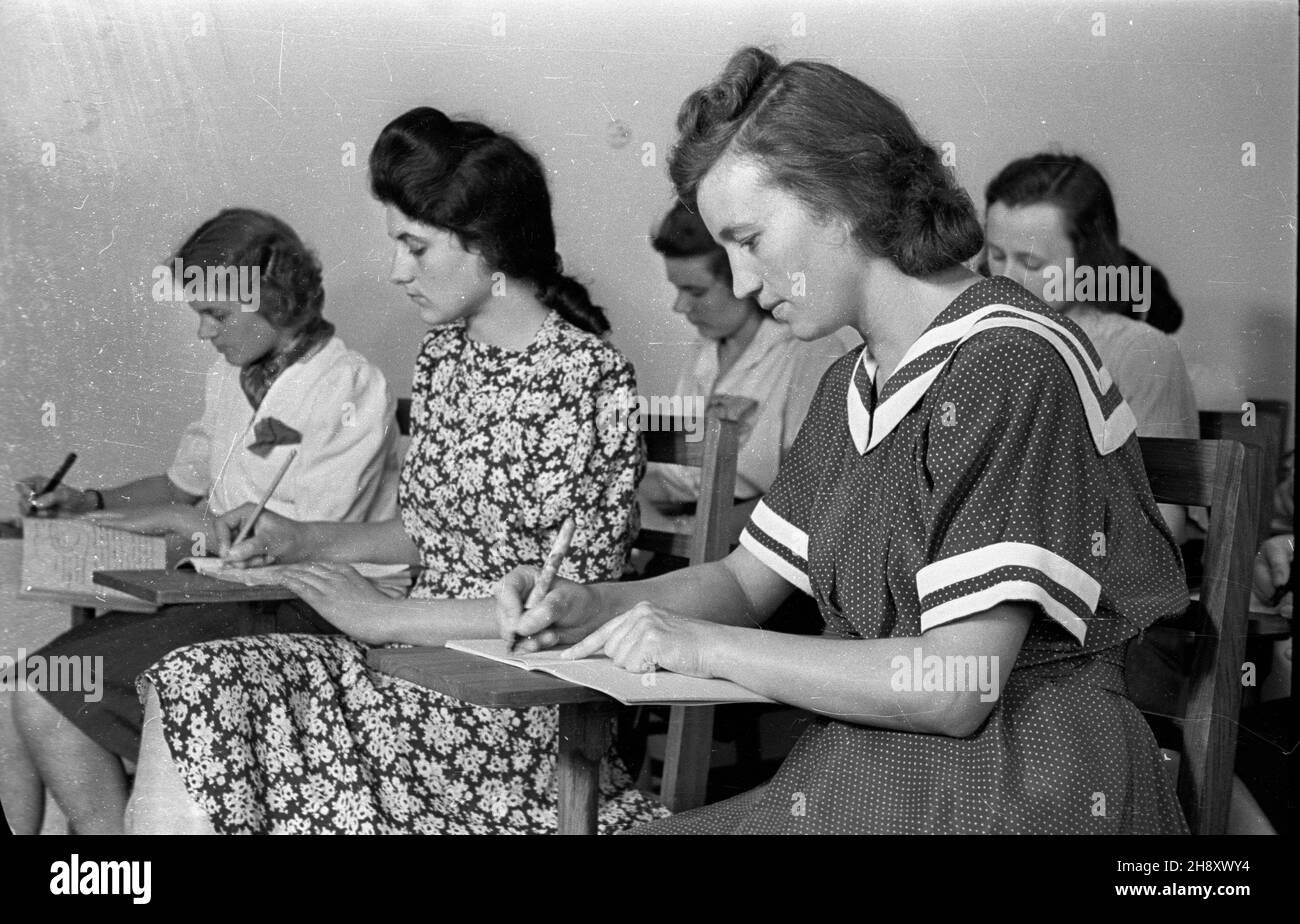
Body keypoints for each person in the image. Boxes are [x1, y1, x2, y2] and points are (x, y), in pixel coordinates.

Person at [497, 48, 1191, 834]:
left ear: (843, 200)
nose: (746, 283)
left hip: (1018, 783)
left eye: (750, 239)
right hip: (873, 774)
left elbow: (954, 688)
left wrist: (700, 647)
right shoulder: (852, 383)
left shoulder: (1009, 360)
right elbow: (737, 585)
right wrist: (593, 607)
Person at [124, 107, 668, 834]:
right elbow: (425, 533)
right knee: (195, 679)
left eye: (414, 246)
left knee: (222, 703)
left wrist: (381, 618)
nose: (394, 271)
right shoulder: (445, 357)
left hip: (511, 711)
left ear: (487, 245)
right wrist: (302, 539)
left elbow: (569, 610)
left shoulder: (587, 377)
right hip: (410, 667)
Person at [1, 208, 400, 834]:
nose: (202, 334)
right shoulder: (230, 377)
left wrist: (183, 527)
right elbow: (182, 484)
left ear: (277, 298)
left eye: (216, 315)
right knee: (21, 683)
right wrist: (90, 503)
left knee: (41, 692)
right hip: (220, 592)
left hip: (303, 606)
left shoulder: (347, 385)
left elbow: (305, 540)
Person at [981, 153, 1199, 543]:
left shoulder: (1139, 351)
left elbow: (1162, 525)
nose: (1006, 278)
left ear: (1087, 260)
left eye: (1031, 262)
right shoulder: (978, 341)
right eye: (996, 256)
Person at [640, 199, 857, 518]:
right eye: (677, 289)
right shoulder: (705, 350)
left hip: (747, 536)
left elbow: (812, 494)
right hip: (677, 519)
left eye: (696, 291)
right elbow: (680, 479)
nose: (680, 306)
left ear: (742, 280)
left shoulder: (809, 353)